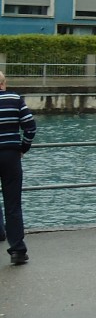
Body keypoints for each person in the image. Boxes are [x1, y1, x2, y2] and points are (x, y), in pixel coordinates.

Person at [0, 70, 36, 265]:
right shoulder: (14, 98)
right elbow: (30, 126)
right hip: (10, 156)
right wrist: (23, 147)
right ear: (3, 83)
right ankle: (17, 251)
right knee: (13, 204)